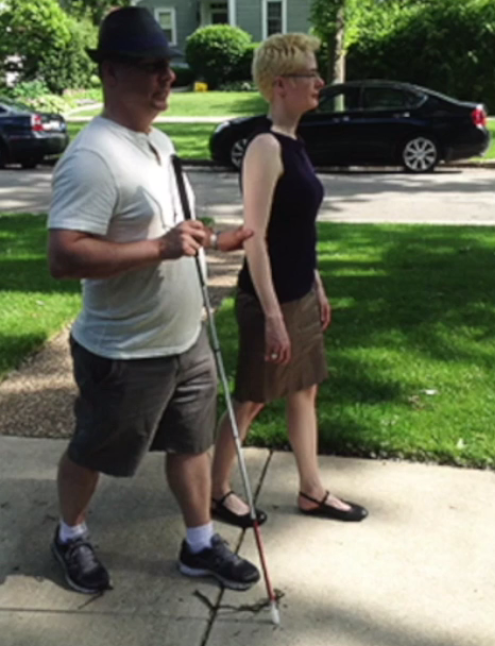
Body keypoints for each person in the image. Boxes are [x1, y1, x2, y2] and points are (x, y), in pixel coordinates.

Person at [47, 6, 260, 595]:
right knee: (95, 451)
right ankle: (70, 534)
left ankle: (198, 544)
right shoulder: (92, 157)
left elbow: (171, 227)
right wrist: (159, 249)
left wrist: (213, 239)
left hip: (185, 335)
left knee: (191, 445)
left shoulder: (158, 141)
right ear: (111, 72)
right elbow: (64, 256)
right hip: (125, 347)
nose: (166, 79)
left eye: (167, 67)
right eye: (150, 68)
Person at [210, 34, 368, 528]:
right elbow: (254, 238)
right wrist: (274, 316)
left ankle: (311, 490)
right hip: (268, 301)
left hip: (299, 292)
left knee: (305, 390)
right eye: (310, 75)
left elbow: (295, 227)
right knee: (252, 398)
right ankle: (216, 491)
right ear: (280, 85)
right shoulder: (264, 147)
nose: (320, 82)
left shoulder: (295, 142)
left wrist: (315, 284)